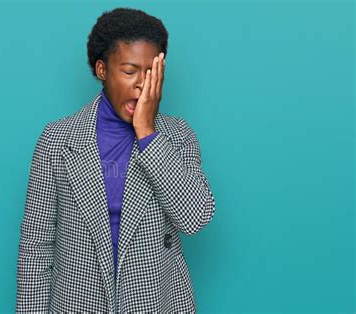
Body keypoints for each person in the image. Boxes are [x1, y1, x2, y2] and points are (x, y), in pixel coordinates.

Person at [16, 7, 216, 313]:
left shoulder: (177, 137)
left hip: (154, 303)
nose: (141, 84)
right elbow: (36, 250)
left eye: (151, 72)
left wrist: (147, 133)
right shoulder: (56, 141)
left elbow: (195, 218)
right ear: (102, 70)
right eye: (129, 70)